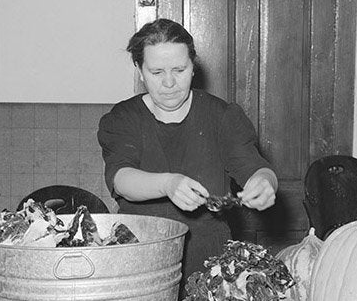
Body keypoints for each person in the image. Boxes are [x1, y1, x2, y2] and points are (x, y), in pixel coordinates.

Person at [97, 19, 278, 281]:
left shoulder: (222, 116)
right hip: (139, 257)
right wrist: (168, 184)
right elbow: (121, 179)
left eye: (179, 70)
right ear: (139, 70)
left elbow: (255, 167)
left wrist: (264, 182)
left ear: (193, 67)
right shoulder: (123, 118)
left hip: (210, 262)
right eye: (157, 72)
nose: (169, 83)